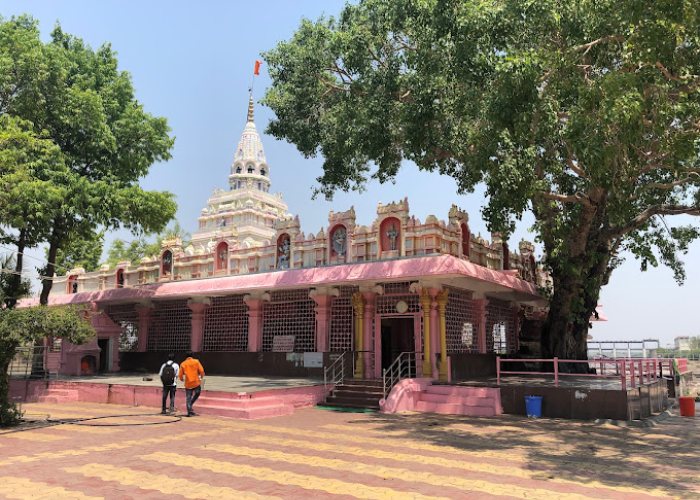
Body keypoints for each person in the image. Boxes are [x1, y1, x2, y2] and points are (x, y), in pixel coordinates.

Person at [179, 352, 205, 417]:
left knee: (188, 397)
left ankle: (189, 411)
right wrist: (201, 376)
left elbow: (180, 374)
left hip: (188, 383)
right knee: (197, 393)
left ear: (186, 357)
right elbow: (201, 370)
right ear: (192, 356)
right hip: (196, 382)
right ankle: (190, 405)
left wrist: (181, 379)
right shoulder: (196, 361)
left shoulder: (183, 364)